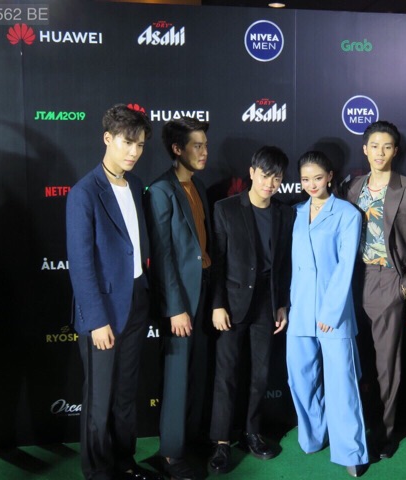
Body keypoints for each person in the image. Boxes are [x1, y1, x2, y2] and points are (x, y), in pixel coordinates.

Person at [66, 104, 162, 480]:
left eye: (140, 145)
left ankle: (125, 462)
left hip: (136, 300)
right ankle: (97, 471)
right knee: (99, 398)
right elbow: (81, 264)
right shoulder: (84, 193)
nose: (134, 152)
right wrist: (96, 320)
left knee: (126, 393)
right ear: (108, 139)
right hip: (102, 311)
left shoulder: (136, 185)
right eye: (127, 142)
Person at [345, 120, 406, 458]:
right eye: (374, 146)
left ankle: (385, 433)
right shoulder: (353, 188)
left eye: (386, 146)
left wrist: (405, 289)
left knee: (387, 365)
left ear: (395, 150)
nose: (380, 152)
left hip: (390, 282)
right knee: (358, 363)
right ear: (364, 149)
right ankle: (360, 427)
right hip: (355, 281)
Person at [207, 146, 295, 474]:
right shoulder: (226, 209)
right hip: (231, 304)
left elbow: (284, 265)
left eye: (277, 177)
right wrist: (217, 304)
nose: (270, 183)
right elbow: (216, 263)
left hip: (266, 304)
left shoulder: (285, 214)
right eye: (265, 175)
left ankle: (252, 433)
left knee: (260, 374)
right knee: (226, 375)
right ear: (252, 172)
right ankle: (221, 442)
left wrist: (282, 304)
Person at [287, 151, 369, 478]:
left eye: (317, 178)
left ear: (330, 176)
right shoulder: (295, 213)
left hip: (333, 313)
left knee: (341, 384)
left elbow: (346, 266)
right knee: (300, 379)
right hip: (299, 310)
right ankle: (313, 436)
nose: (311, 185)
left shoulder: (347, 214)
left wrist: (331, 311)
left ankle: (350, 450)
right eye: (305, 179)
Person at [145, 117, 212, 480]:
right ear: (177, 149)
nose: (204, 152)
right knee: (175, 379)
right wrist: (175, 308)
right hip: (179, 303)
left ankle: (190, 441)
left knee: (196, 373)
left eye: (205, 145)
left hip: (203, 294)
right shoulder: (161, 190)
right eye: (196, 146)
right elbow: (163, 255)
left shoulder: (197, 186)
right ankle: (170, 454)